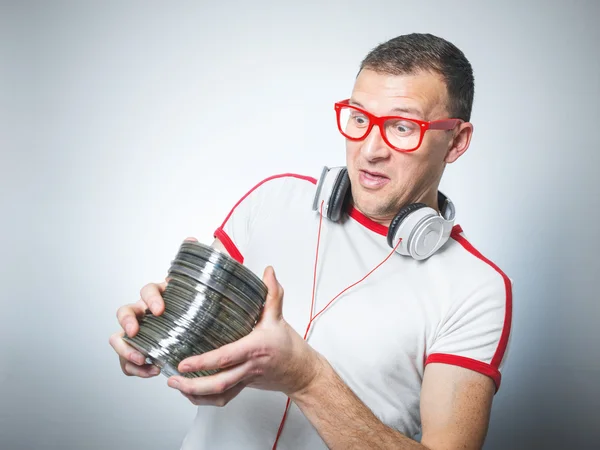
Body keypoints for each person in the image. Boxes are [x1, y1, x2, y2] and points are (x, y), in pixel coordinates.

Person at [109, 33, 513, 449]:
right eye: (359, 119)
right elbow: (195, 332)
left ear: (457, 141)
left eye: (403, 126)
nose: (370, 150)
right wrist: (152, 332)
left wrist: (307, 378)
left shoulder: (477, 289)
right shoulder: (272, 200)